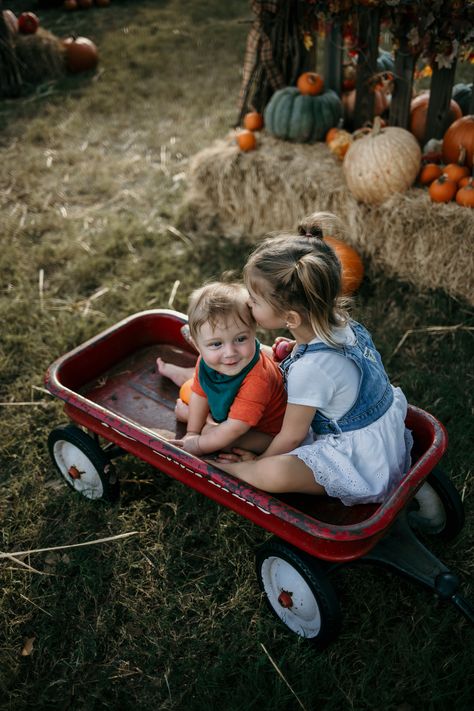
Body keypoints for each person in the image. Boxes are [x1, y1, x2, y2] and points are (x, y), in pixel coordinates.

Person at [214, 212, 413, 506]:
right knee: (246, 433)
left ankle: (240, 471)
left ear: (291, 318)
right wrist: (293, 349)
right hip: (376, 436)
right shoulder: (341, 323)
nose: (247, 303)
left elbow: (291, 438)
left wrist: (259, 462)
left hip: (357, 460)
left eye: (254, 301)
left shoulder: (311, 370)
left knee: (273, 471)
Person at [160, 281, 287, 457]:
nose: (230, 352)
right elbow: (200, 393)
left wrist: (198, 443)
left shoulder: (258, 379)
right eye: (217, 343)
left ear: (253, 331)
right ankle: (197, 410)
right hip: (235, 413)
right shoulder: (205, 362)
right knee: (193, 391)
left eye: (240, 339)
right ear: (197, 345)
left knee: (217, 438)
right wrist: (192, 432)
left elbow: (235, 429)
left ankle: (205, 422)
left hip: (268, 433)